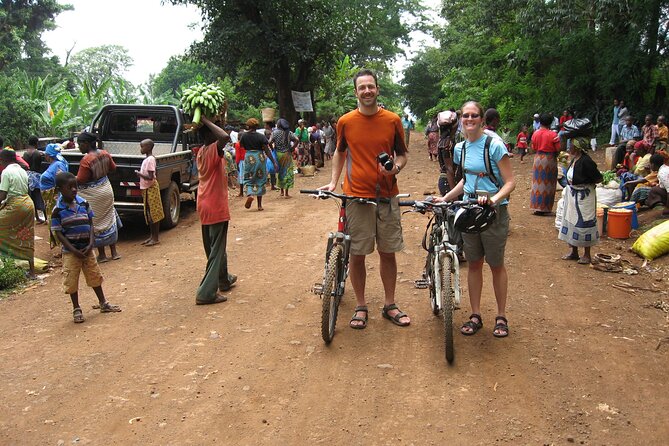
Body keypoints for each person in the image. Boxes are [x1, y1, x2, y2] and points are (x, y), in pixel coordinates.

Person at [319, 68, 410, 329]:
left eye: (371, 86)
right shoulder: (345, 121)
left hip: (387, 196)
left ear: (377, 89)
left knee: (387, 252)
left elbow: (402, 154)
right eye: (362, 87)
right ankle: (360, 305)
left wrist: (396, 167)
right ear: (356, 92)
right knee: (357, 254)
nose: (367, 91)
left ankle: (390, 304)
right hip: (356, 196)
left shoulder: (392, 120)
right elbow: (339, 152)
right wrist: (333, 182)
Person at [436, 101, 515, 337]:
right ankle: (475, 314)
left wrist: (494, 198)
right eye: (466, 116)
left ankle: (501, 316)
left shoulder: (494, 145)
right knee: (474, 263)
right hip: (469, 209)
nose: (469, 120)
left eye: (474, 116)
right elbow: (465, 181)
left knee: (496, 264)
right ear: (461, 119)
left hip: (493, 212)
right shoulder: (460, 149)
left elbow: (510, 181)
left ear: (481, 119)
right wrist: (447, 198)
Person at [51, 171, 121, 323]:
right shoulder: (57, 210)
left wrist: (91, 243)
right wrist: (73, 249)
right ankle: (76, 308)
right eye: (69, 187)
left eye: (75, 186)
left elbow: (90, 223)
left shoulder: (83, 203)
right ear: (60, 189)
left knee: (94, 275)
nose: (74, 190)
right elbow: (59, 234)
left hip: (88, 249)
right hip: (71, 252)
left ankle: (103, 302)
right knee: (71, 280)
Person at [195, 116, 237, 305]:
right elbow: (225, 137)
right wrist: (205, 120)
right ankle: (206, 293)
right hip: (215, 204)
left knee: (214, 246)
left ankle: (223, 279)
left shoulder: (202, 152)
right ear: (209, 135)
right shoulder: (212, 149)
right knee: (217, 249)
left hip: (204, 202)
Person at [75, 132, 121, 262]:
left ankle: (102, 254)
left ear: (87, 144)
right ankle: (114, 251)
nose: (79, 147)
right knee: (110, 218)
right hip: (106, 189)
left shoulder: (86, 160)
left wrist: (68, 177)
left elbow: (81, 180)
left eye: (80, 144)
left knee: (96, 222)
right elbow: (113, 168)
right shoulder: (105, 154)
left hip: (94, 195)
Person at [558, 138, 603, 264]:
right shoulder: (574, 159)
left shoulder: (586, 161)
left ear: (577, 148)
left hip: (584, 196)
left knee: (585, 222)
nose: (569, 148)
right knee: (572, 220)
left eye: (571, 146)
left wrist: (586, 184)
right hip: (573, 194)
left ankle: (587, 254)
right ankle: (574, 251)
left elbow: (598, 178)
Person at [0, 148, 36, 278]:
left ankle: (5, 262)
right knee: (26, 235)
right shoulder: (21, 170)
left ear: (3, 160)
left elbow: (2, 194)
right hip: (28, 203)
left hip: (16, 205)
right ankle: (32, 272)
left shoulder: (6, 172)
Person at [240, 118, 277, 211]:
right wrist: (274, 162)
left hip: (249, 157)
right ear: (257, 126)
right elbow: (267, 150)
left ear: (248, 126)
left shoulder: (244, 136)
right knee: (260, 179)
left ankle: (250, 194)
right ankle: (259, 205)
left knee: (249, 178)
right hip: (259, 157)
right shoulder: (261, 136)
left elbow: (242, 146)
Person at [135, 139, 164, 246]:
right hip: (147, 188)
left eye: (142, 147)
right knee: (149, 212)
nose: (141, 149)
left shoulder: (150, 159)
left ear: (149, 147)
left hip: (151, 188)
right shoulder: (147, 159)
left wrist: (139, 174)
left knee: (154, 213)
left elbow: (151, 177)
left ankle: (155, 238)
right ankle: (152, 236)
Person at [39, 143, 69, 248]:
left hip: (55, 199)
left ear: (48, 155)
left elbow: (62, 182)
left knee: (57, 223)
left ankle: (64, 248)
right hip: (50, 199)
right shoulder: (55, 164)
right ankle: (62, 248)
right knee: (53, 222)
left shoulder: (58, 165)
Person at [530, 113, 560, 215]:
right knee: (548, 183)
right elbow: (558, 149)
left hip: (538, 158)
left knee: (537, 183)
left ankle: (536, 206)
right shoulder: (553, 135)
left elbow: (533, 148)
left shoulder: (535, 134)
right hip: (549, 159)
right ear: (551, 123)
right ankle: (545, 208)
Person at [268, 118, 298, 198]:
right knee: (287, 172)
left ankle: (281, 191)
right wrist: (293, 147)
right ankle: (286, 193)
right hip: (287, 154)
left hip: (278, 154)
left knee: (280, 172)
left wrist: (272, 149)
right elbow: (297, 139)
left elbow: (269, 142)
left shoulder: (274, 133)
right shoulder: (288, 133)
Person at [21, 136, 46, 223]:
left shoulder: (25, 154)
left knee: (32, 197)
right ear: (36, 143)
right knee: (40, 196)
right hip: (37, 177)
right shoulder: (38, 153)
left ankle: (37, 217)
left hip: (28, 177)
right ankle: (45, 217)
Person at [645, 151, 669, 215]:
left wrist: (667, 208)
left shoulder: (662, 173)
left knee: (654, 190)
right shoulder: (664, 168)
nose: (649, 166)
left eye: (650, 164)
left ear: (653, 164)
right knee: (655, 188)